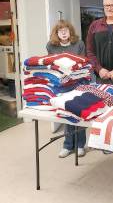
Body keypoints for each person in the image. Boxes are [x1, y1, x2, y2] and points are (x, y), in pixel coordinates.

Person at [46, 20, 86, 158]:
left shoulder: (79, 44)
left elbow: (82, 63)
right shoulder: (51, 46)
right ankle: (68, 145)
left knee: (78, 113)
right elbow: (51, 65)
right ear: (56, 33)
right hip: (61, 84)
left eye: (66, 30)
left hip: (78, 82)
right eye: (60, 30)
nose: (63, 33)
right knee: (66, 114)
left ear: (70, 32)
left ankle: (80, 145)